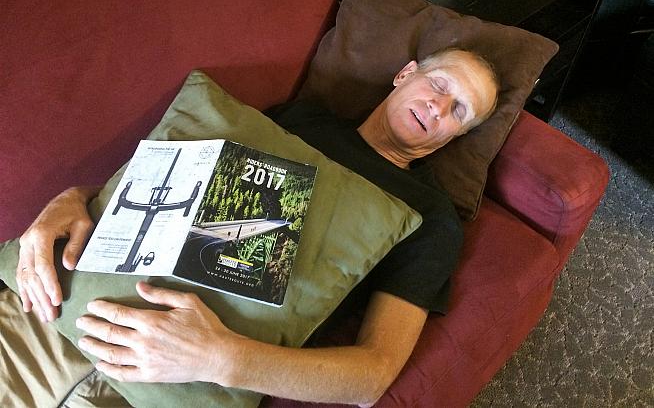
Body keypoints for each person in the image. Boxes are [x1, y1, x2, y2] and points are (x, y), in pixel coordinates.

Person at [9, 48, 499, 406]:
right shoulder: (301, 119)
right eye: (440, 85)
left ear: (454, 136)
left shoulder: (430, 218)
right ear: (405, 73)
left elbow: (373, 374)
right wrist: (72, 200)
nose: (438, 107)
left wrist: (219, 358)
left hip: (155, 386)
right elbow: (178, 180)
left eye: (459, 111)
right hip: (49, 302)